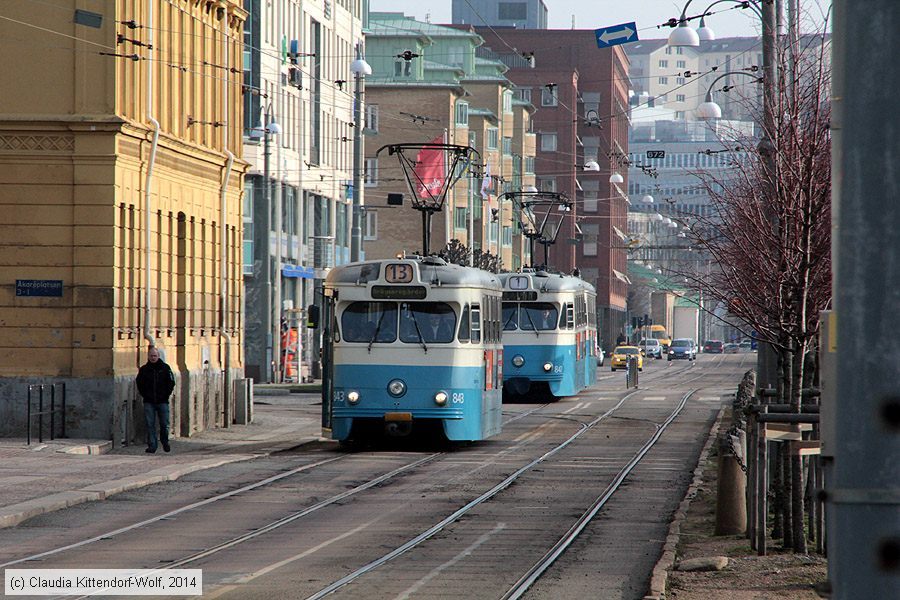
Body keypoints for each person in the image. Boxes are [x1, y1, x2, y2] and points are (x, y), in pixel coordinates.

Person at [135, 346, 176, 453]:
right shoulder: (144, 369)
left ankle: (165, 441)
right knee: (150, 424)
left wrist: (166, 394)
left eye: (155, 356)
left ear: (158, 356)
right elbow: (139, 383)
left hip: (163, 401)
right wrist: (145, 394)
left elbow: (171, 383)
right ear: (148, 357)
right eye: (151, 356)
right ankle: (152, 445)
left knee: (164, 424)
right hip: (149, 401)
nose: (153, 358)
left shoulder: (165, 368)